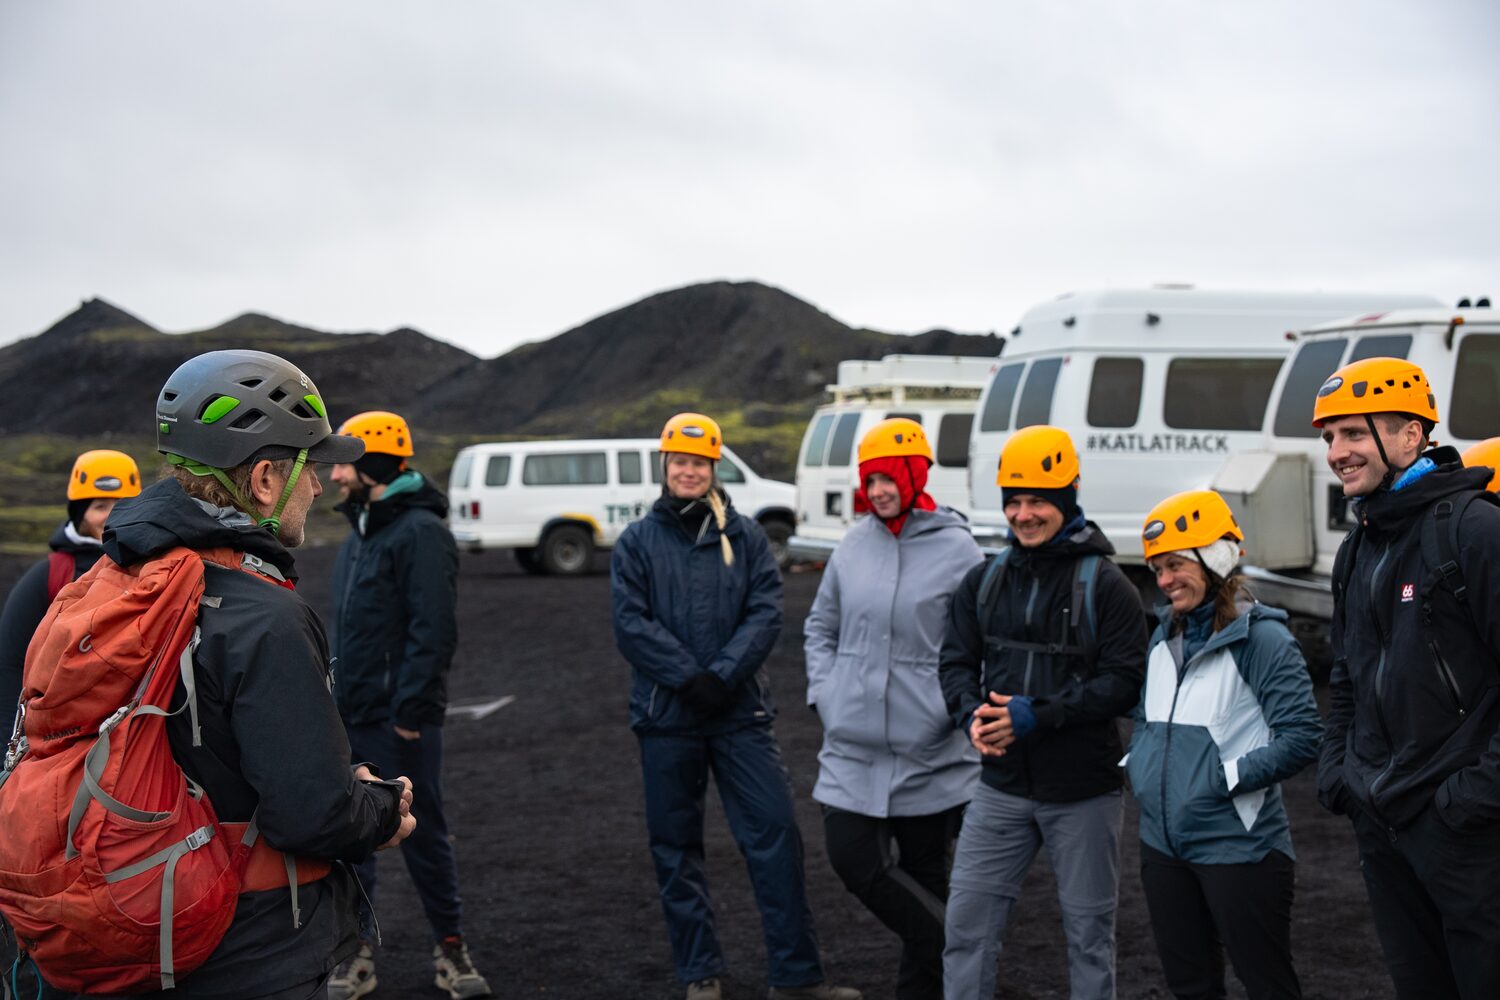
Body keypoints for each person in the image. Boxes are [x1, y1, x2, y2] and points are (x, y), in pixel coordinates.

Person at [10, 349, 414, 999]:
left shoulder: (103, 585)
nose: (317, 485)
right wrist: (382, 807)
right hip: (242, 949)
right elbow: (312, 816)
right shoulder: (266, 616)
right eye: (309, 466)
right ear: (262, 481)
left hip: (114, 920)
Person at [611, 413, 861, 1000]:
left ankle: (797, 978)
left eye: (699, 462)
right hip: (666, 718)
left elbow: (766, 612)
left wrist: (720, 678)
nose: (689, 471)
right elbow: (631, 624)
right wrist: (688, 678)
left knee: (774, 834)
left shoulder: (744, 537)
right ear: (665, 466)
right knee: (676, 848)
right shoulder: (636, 543)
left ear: (713, 466)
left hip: (739, 713)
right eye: (680, 461)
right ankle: (701, 973)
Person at [1313, 357, 1500, 999]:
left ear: (1411, 435)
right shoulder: (1358, 543)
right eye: (1330, 438)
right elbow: (1348, 670)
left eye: (1353, 434)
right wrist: (1340, 771)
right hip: (1382, 823)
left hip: (1465, 829)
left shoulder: (1475, 530)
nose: (1337, 452)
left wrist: (1472, 796)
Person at [938, 424, 1146, 1000]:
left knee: (1089, 938)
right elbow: (955, 663)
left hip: (1084, 791)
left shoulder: (1109, 587)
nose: (1024, 514)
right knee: (966, 931)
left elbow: (1125, 684)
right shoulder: (983, 582)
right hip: (1000, 788)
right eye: (1014, 501)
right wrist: (970, 717)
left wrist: (1040, 715)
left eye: (1038, 501)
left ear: (1068, 499)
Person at [803, 418, 981, 1000]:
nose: (878, 490)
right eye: (870, 479)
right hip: (851, 746)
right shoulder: (853, 546)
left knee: (927, 878)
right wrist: (826, 694)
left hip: (930, 751)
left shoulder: (959, 550)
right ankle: (970, 959)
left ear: (916, 473)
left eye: (888, 478)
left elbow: (978, 646)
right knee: (855, 862)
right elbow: (820, 627)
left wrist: (945, 711)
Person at [1127, 489, 1322, 1000]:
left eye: (1175, 565)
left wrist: (1222, 779)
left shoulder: (1264, 639)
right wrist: (1142, 764)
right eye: (1157, 569)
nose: (1165, 581)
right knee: (1189, 986)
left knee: (1267, 984)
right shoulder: (1163, 634)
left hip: (1241, 846)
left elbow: (1303, 736)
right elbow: (1151, 719)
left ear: (1214, 559)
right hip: (1162, 846)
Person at [325, 411, 489, 1000]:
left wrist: (410, 714)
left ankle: (452, 949)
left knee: (424, 833)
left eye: (344, 460)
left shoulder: (420, 533)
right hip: (355, 716)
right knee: (353, 837)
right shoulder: (361, 534)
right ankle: (356, 955)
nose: (336, 473)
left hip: (401, 723)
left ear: (373, 463)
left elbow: (433, 630)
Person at [1, 449, 141, 741]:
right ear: (80, 513)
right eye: (100, 506)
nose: (111, 516)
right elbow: (11, 662)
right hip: (62, 732)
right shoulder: (49, 576)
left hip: (135, 728)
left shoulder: (153, 566)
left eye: (121, 505)